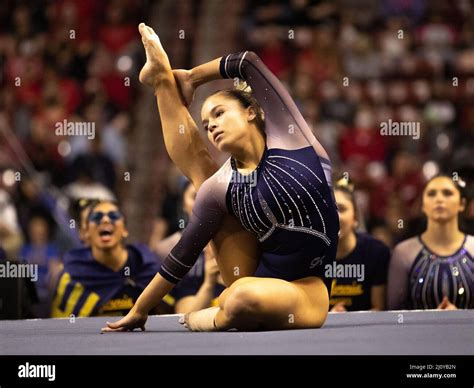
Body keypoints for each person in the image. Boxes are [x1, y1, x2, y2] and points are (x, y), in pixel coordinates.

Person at [103, 23, 339, 332]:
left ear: (251, 111)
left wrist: (192, 77)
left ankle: (208, 318)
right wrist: (139, 310)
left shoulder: (292, 138)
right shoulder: (222, 185)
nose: (211, 126)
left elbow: (247, 62)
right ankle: (161, 78)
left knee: (240, 298)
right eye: (205, 123)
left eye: (219, 114)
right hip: (252, 276)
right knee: (206, 180)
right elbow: (182, 255)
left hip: (305, 289)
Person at [51, 200, 166, 317]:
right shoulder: (72, 274)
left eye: (114, 216)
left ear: (125, 230)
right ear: (85, 231)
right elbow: (62, 328)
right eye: (96, 217)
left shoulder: (146, 265)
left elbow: (171, 312)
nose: (105, 220)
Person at [388, 175, 474, 310]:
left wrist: (461, 319)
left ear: (462, 204)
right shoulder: (403, 252)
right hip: (418, 331)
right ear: (422, 205)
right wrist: (431, 320)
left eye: (447, 193)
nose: (439, 199)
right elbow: (394, 314)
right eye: (431, 194)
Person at [155, 182, 225, 314]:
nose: (201, 204)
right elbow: (180, 314)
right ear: (183, 205)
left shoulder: (242, 242)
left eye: (208, 198)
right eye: (195, 197)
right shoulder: (166, 249)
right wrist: (209, 281)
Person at [330, 177, 390, 312]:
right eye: (328, 208)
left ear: (356, 218)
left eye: (342, 209)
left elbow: (379, 310)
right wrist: (330, 317)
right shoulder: (307, 255)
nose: (335, 215)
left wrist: (348, 320)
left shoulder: (376, 253)